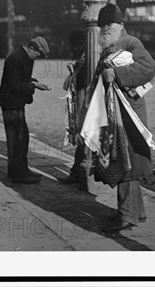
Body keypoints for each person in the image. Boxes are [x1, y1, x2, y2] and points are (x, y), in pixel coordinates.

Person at [94, 3, 155, 233]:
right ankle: (135, 212)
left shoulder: (131, 43)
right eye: (102, 26)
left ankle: (127, 214)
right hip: (116, 114)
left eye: (107, 25)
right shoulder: (111, 45)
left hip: (129, 116)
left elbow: (148, 68)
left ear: (119, 25)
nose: (104, 30)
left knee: (127, 162)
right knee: (124, 160)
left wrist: (116, 74)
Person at [0, 36, 52, 184]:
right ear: (31, 48)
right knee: (16, 139)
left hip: (16, 103)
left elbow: (21, 78)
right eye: (37, 55)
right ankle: (16, 175)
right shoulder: (15, 58)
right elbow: (14, 84)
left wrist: (33, 81)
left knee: (23, 136)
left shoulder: (25, 58)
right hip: (10, 104)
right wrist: (35, 86)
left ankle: (23, 169)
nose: (37, 59)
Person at [58, 28, 95, 192]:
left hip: (84, 106)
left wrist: (74, 73)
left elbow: (81, 83)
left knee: (84, 138)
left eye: (73, 45)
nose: (71, 48)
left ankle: (81, 175)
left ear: (81, 44)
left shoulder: (88, 60)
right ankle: (76, 173)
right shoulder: (83, 59)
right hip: (79, 106)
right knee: (81, 138)